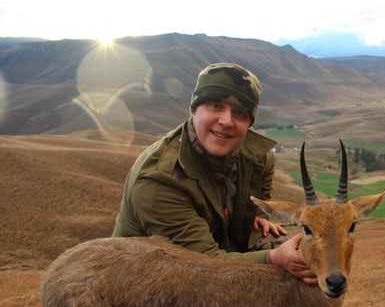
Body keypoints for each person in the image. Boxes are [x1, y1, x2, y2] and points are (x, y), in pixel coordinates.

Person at [112, 63, 316, 285]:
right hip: (146, 274)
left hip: (213, 248)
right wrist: (274, 258)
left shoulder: (259, 157)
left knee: (300, 260)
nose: (226, 122)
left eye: (239, 113)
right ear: (195, 109)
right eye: (215, 106)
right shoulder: (160, 179)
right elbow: (201, 264)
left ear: (249, 122)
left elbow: (259, 207)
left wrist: (257, 219)